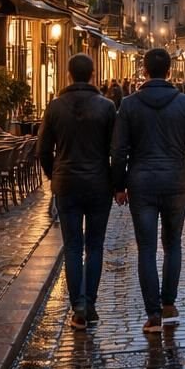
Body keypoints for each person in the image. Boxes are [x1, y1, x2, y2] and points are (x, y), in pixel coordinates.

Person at [114, 48, 185, 333]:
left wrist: (119, 185)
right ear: (169, 71)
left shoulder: (129, 104)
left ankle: (153, 315)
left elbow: (118, 150)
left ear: (144, 71)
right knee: (173, 244)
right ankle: (168, 303)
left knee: (146, 248)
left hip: (141, 183)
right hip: (176, 181)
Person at [39, 53, 118, 330]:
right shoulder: (107, 107)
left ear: (69, 74)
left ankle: (79, 307)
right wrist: (116, 182)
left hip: (66, 183)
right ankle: (90, 302)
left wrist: (54, 174)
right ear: (93, 74)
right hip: (98, 184)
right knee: (95, 246)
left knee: (72, 247)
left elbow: (43, 150)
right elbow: (116, 149)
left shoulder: (55, 106)